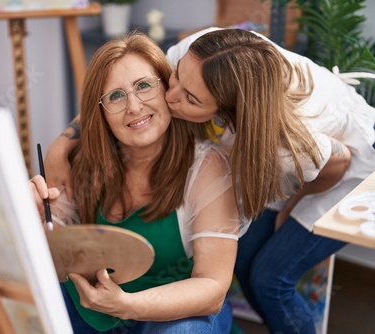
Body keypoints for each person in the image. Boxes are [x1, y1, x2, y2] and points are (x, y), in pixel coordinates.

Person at [44, 27, 375, 333]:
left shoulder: (286, 150)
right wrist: (60, 147)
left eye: (190, 99)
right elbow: (120, 83)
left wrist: (296, 205)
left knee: (269, 280)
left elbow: (338, 163)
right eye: (171, 79)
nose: (170, 98)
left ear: (228, 112)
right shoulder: (199, 55)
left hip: (355, 163)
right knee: (244, 261)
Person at [32, 32, 249, 334]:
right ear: (101, 111)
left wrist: (128, 305)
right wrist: (34, 216)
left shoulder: (206, 167)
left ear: (168, 90)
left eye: (144, 86)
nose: (133, 107)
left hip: (177, 313)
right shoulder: (84, 157)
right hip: (95, 310)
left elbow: (212, 287)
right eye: (116, 96)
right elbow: (53, 231)